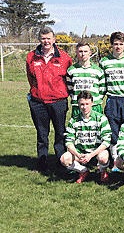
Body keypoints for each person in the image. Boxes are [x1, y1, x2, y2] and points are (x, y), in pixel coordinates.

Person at [26, 27, 72, 172]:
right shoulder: (31, 57)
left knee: (60, 133)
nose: (46, 41)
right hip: (38, 103)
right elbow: (30, 78)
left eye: (48, 38)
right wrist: (36, 94)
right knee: (42, 134)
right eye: (43, 38)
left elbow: (69, 79)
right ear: (39, 39)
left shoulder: (64, 57)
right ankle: (42, 162)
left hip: (58, 102)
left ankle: (61, 162)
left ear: (54, 39)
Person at [99, 31, 124, 171]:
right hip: (112, 99)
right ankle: (115, 160)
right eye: (115, 44)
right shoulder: (104, 61)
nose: (118, 47)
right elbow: (102, 82)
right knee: (113, 131)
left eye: (121, 44)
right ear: (111, 45)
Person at [60, 91, 111, 183]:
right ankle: (83, 171)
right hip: (81, 153)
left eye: (87, 104)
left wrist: (91, 155)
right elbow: (68, 141)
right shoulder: (74, 120)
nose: (84, 107)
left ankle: (103, 171)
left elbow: (106, 141)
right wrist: (78, 154)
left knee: (103, 157)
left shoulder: (101, 118)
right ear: (78, 104)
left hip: (95, 153)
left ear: (92, 103)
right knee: (64, 159)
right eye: (82, 104)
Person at [67, 41, 105, 117]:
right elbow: (70, 89)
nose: (83, 54)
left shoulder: (98, 70)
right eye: (80, 51)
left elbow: (102, 89)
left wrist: (95, 100)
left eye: (85, 51)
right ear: (76, 52)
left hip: (94, 106)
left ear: (90, 53)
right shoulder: (71, 70)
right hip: (78, 107)